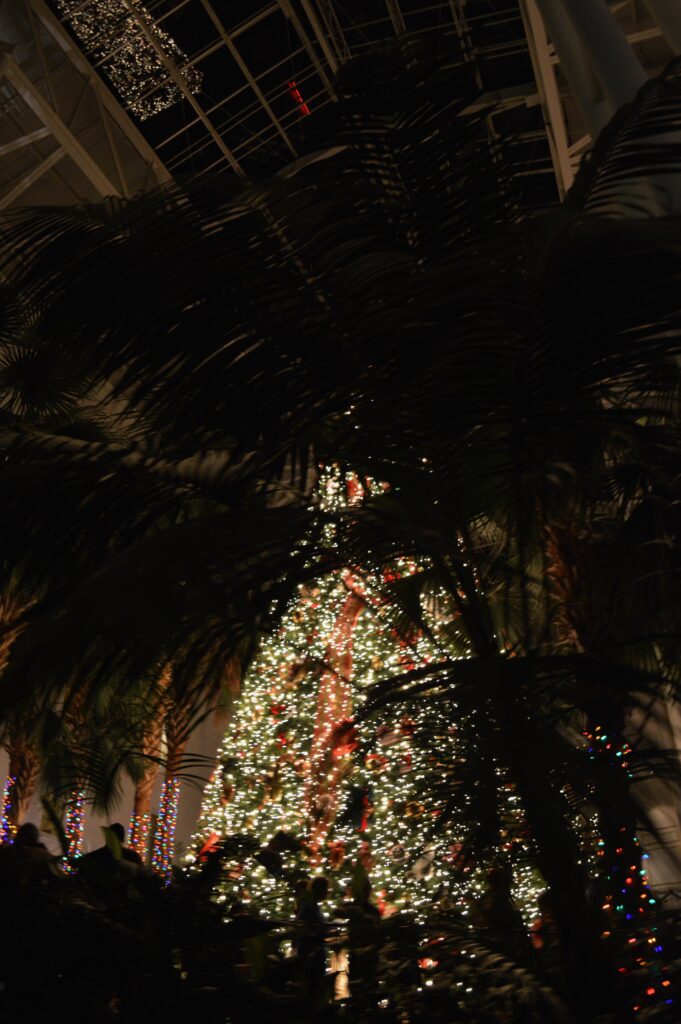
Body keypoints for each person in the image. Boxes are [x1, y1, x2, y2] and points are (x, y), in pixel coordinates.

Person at [295, 875, 329, 997]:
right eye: (325, 890)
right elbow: (304, 929)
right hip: (310, 954)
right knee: (312, 987)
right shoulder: (309, 907)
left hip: (315, 952)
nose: (327, 893)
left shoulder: (313, 906)